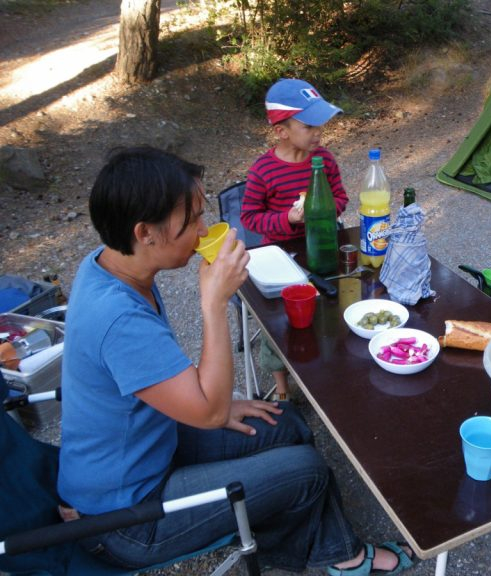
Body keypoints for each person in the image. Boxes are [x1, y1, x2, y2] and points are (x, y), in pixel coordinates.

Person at [57, 147, 412, 575]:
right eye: (191, 221)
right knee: (308, 471)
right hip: (127, 517)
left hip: (150, 446)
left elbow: (150, 378)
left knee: (286, 422)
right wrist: (214, 302)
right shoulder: (116, 317)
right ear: (145, 232)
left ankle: (302, 538)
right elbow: (207, 410)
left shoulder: (106, 267)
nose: (204, 229)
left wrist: (215, 407)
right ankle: (345, 557)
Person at [241, 78, 349, 402]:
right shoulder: (263, 170)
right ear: (282, 131)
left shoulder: (325, 160)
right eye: (308, 125)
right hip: (279, 253)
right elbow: (249, 217)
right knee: (279, 322)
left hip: (321, 248)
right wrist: (287, 219)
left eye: (321, 124)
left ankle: (327, 363)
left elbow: (341, 198)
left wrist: (324, 210)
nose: (318, 132)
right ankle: (282, 386)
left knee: (332, 304)